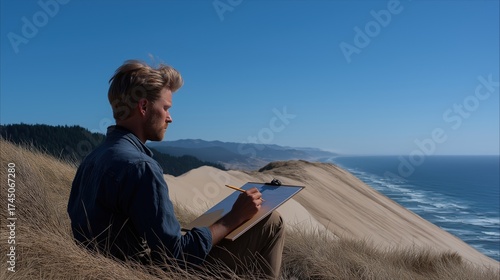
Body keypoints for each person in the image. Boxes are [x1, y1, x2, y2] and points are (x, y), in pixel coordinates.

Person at [67, 60, 285, 278]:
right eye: (166, 108)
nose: (170, 118)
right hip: (141, 273)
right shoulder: (141, 168)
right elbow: (176, 257)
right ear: (143, 107)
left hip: (106, 270)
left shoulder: (92, 159)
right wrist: (233, 217)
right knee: (271, 222)